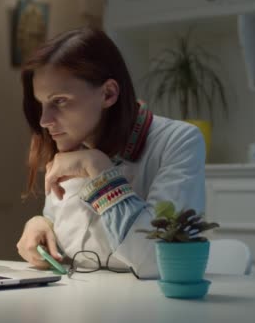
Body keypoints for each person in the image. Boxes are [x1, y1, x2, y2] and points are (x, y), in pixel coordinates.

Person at [15, 27, 205, 279]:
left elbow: (154, 261)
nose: (44, 120)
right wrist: (42, 224)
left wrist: (98, 168)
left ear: (108, 94)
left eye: (59, 101)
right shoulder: (70, 140)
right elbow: (70, 241)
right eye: (42, 104)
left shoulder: (179, 141)